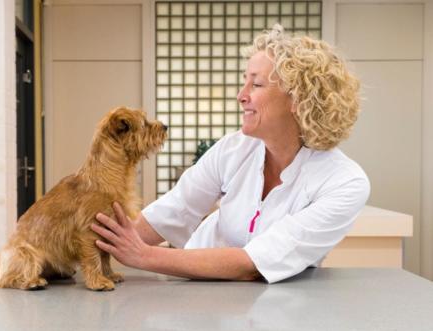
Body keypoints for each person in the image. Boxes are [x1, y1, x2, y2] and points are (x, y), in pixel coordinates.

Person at [90, 24, 370, 283]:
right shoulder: (233, 148)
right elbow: (174, 210)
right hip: (195, 297)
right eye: (244, 82)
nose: (241, 95)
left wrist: (144, 256)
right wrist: (77, 242)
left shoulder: (344, 182)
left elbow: (253, 263)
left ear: (298, 100)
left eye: (256, 84)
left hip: (273, 308)